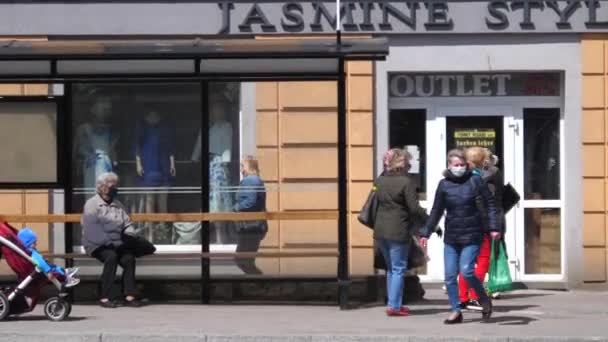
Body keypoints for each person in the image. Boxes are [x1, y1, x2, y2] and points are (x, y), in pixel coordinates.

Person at [420, 149, 500, 324]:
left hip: (473, 234)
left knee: (466, 270)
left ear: (467, 165)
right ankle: (456, 310)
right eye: (456, 165)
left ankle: (483, 299)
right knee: (449, 276)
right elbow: (436, 210)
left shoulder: (475, 180)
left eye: (462, 165)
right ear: (449, 166)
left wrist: (494, 227)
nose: (460, 168)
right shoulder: (444, 185)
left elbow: (490, 204)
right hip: (452, 236)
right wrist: (426, 232)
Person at [374, 149, 428, 316]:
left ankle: (393, 303)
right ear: (401, 164)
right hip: (398, 230)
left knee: (391, 269)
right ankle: (394, 307)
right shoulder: (406, 182)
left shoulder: (380, 180)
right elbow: (414, 208)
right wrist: (429, 219)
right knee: (398, 269)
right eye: (408, 163)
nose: (410, 166)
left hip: (380, 230)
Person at [82, 172, 143, 308]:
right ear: (102, 187)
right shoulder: (92, 204)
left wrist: (130, 235)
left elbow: (127, 223)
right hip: (96, 243)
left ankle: (129, 295)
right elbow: (91, 229)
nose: (115, 188)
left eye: (116, 186)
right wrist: (110, 243)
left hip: (117, 243)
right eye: (112, 186)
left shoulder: (118, 204)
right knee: (111, 257)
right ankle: (105, 297)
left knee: (128, 258)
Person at [459, 147, 505, 310]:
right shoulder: (491, 175)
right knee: (483, 261)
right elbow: (495, 203)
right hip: (481, 225)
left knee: (466, 263)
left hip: (462, 224)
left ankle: (463, 297)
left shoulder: (459, 176)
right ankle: (475, 294)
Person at [233, 156, 268, 275]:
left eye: (243, 166)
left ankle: (261, 283)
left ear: (248, 167)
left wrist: (236, 208)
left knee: (241, 260)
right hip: (254, 226)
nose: (241, 170)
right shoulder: (255, 179)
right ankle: (255, 283)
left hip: (250, 227)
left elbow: (250, 202)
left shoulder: (251, 180)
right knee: (246, 260)